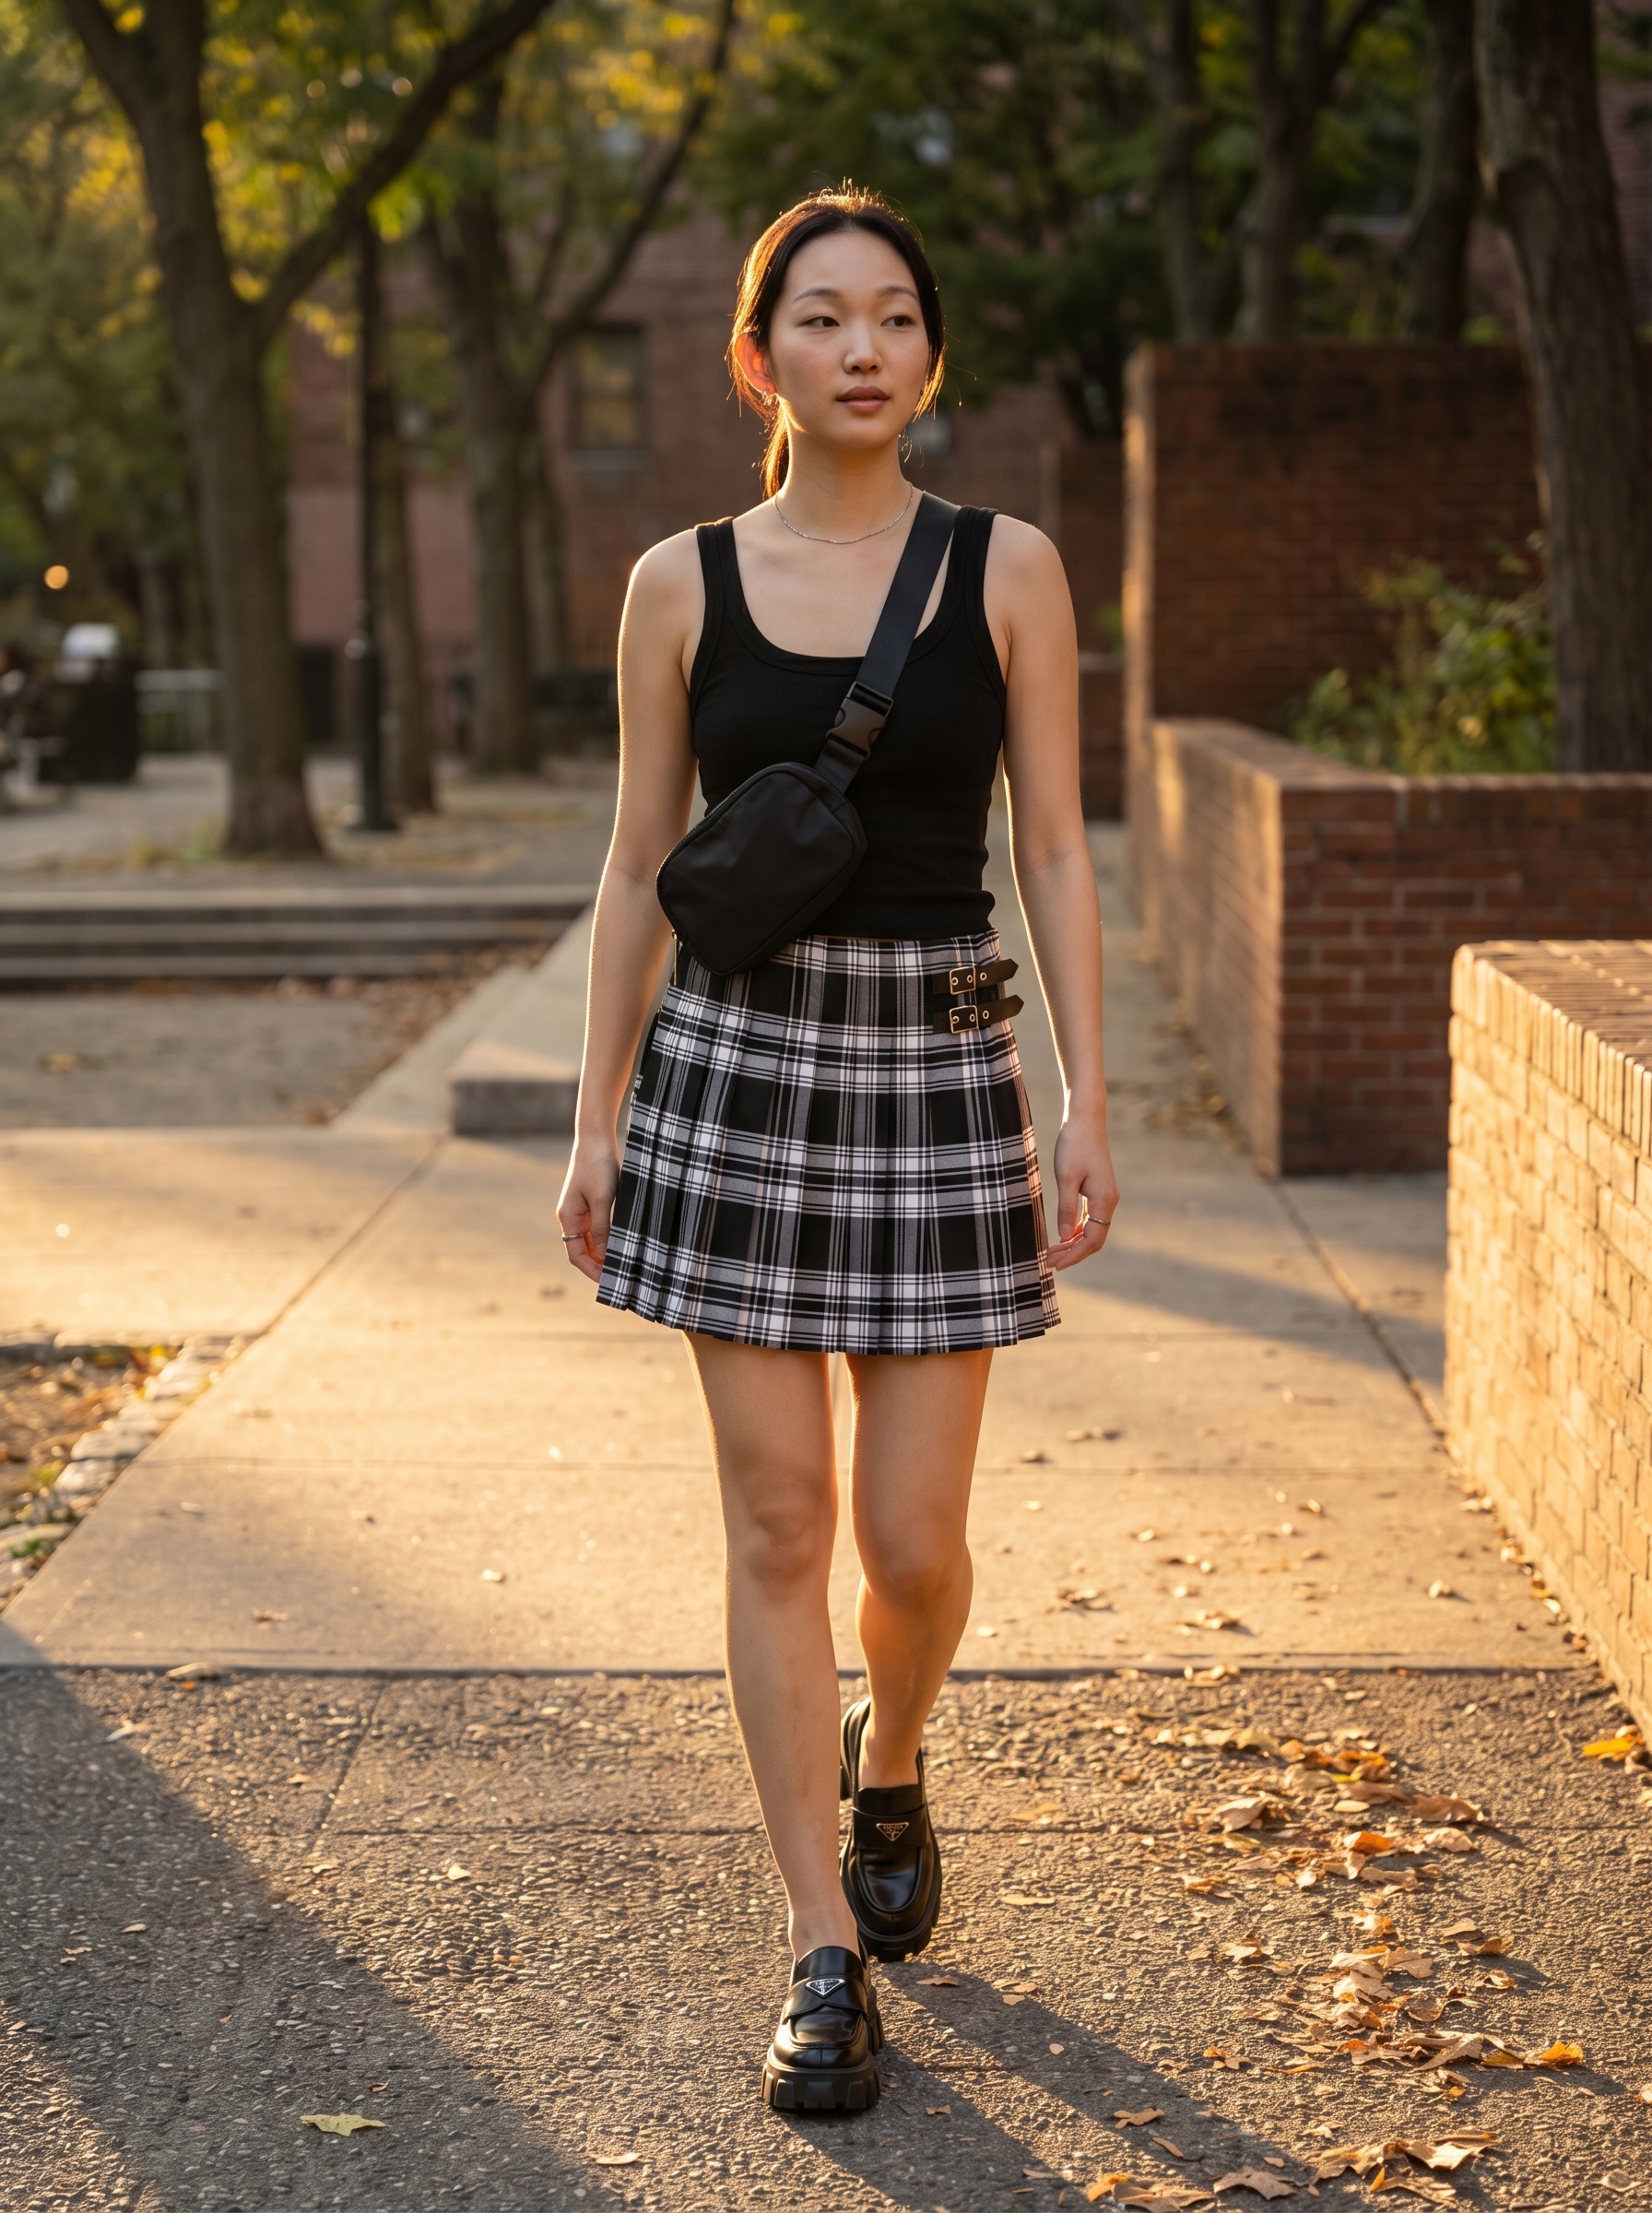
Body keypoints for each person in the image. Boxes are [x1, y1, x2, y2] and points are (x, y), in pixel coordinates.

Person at [557, 185, 1117, 2114]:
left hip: (940, 1073)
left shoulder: (1010, 570)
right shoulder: (676, 583)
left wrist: (1085, 1092)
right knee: (782, 1524)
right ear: (756, 357)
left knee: (912, 1542)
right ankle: (815, 1943)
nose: (859, 347)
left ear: (927, 356)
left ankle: (893, 1757)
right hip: (733, 1071)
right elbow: (639, 861)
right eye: (819, 317)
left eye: (892, 317)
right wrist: (592, 1115)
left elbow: (1050, 844)